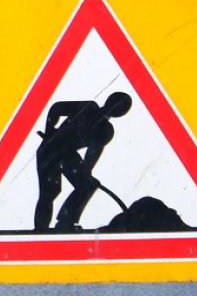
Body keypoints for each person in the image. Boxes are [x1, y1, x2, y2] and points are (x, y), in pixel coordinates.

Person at [33, 92, 132, 232]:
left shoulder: (105, 130)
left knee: (86, 185)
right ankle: (42, 229)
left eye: (118, 107)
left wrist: (86, 171)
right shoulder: (88, 107)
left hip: (67, 154)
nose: (113, 108)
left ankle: (65, 221)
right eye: (115, 103)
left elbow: (92, 155)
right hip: (51, 149)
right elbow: (56, 108)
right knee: (50, 191)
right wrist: (49, 131)